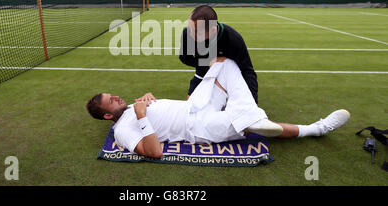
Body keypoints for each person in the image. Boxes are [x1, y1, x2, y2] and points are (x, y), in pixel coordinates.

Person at [86, 59, 350, 159]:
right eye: (112, 100)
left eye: (113, 95)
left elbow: (152, 109)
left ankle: (247, 113)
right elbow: (153, 153)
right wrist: (142, 117)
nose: (118, 97)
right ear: (108, 115)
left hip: (195, 106)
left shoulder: (132, 105)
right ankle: (317, 128)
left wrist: (146, 102)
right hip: (198, 127)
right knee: (252, 126)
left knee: (224, 64)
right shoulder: (122, 130)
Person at [179, 5, 258, 103]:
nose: (190, 34)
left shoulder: (233, 39)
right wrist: (207, 62)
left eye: (196, 32)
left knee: (226, 111)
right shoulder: (188, 34)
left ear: (213, 30)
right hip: (202, 74)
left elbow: (247, 71)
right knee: (190, 109)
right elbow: (185, 58)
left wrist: (252, 102)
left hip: (227, 79)